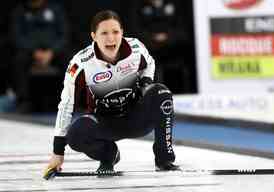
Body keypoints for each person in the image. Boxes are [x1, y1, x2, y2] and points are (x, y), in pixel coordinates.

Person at [44, 10, 179, 176]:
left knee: (162, 93)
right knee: (76, 135)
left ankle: (164, 159)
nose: (111, 38)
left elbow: (150, 63)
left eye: (115, 32)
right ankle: (109, 154)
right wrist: (58, 152)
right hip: (105, 124)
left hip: (137, 118)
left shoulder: (136, 47)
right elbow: (66, 105)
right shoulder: (80, 63)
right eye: (104, 33)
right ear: (93, 36)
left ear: (122, 32)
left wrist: (146, 82)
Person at [10, 0, 70, 113]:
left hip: (53, 52)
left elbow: (64, 35)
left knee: (71, 61)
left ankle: (68, 101)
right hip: (29, 52)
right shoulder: (20, 11)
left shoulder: (55, 9)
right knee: (18, 60)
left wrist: (51, 52)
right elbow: (16, 36)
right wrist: (34, 51)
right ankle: (24, 101)